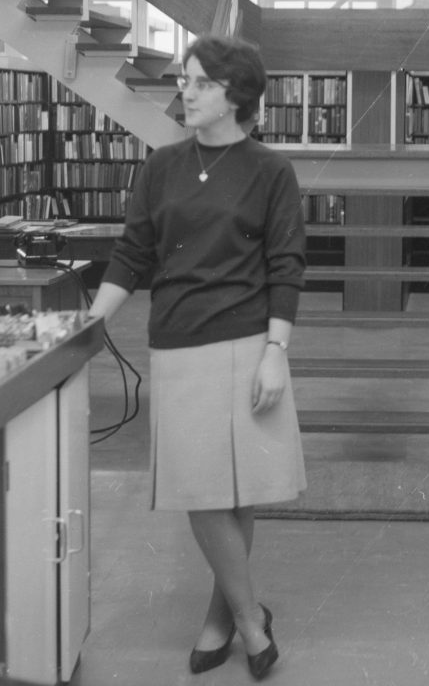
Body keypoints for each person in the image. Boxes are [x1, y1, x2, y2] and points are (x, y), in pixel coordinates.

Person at [87, 34, 306, 681]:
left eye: (201, 81)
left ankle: (221, 620)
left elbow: (286, 265)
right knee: (200, 489)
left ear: (235, 94)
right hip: (179, 344)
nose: (187, 89)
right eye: (186, 79)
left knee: (238, 491)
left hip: (246, 345)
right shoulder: (162, 166)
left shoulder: (271, 171)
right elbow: (133, 254)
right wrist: (92, 320)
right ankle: (249, 619)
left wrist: (276, 351)